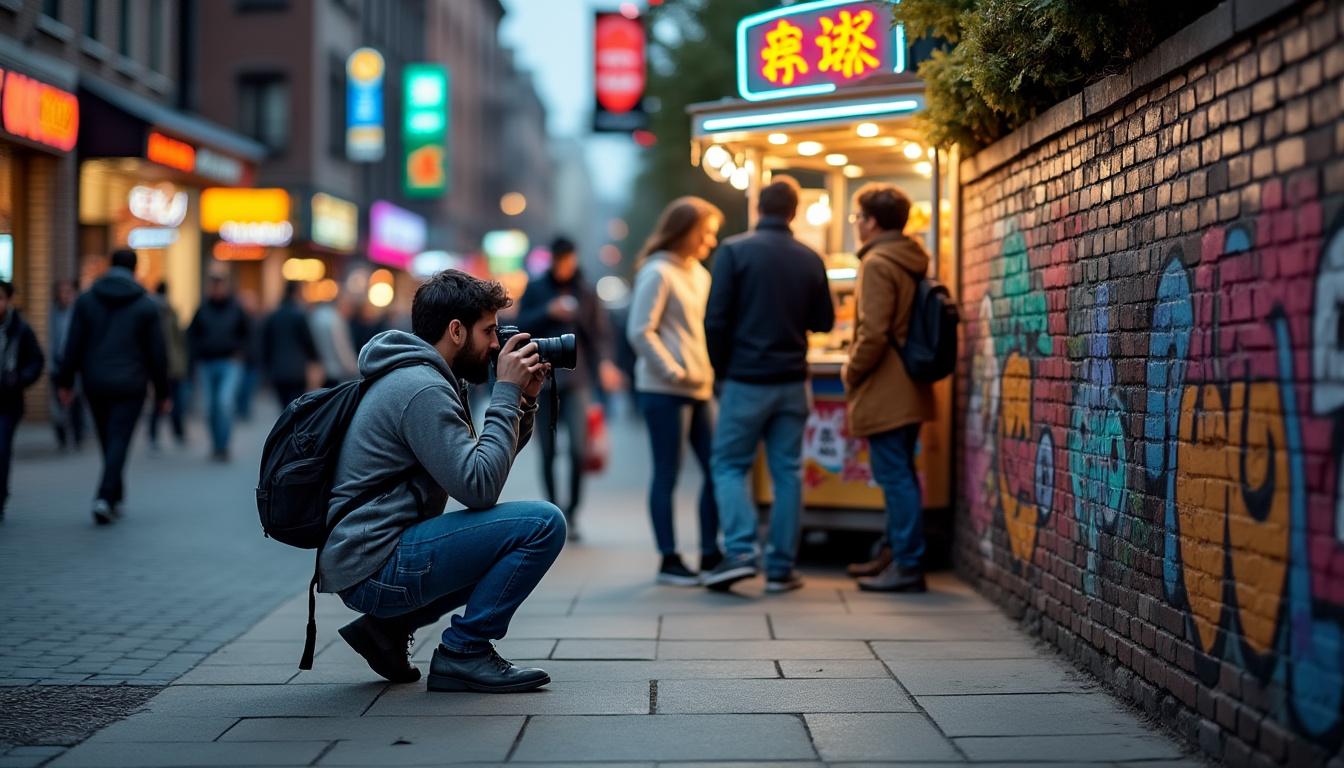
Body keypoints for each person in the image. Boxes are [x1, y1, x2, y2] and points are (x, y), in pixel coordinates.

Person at [319, 269, 563, 693]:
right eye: (488, 331)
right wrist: (506, 391)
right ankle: (464, 651)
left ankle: (385, 631)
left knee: (508, 535)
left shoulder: (424, 376)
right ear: (455, 330)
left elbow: (482, 467)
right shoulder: (421, 388)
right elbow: (478, 488)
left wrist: (523, 400)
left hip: (369, 556)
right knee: (543, 524)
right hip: (375, 564)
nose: (496, 344)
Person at [701, 177, 835, 593]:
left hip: (745, 379)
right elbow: (824, 321)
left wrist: (722, 371)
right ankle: (781, 567)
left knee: (729, 465)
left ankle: (741, 552)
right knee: (788, 471)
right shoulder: (810, 258)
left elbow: (715, 320)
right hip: (793, 382)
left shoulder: (734, 251)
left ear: (759, 208)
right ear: (794, 212)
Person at [843, 184, 936, 593]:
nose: (856, 225)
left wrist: (851, 371)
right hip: (908, 383)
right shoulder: (908, 257)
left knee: (894, 476)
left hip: (886, 385)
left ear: (872, 221)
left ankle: (907, 564)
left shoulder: (877, 262)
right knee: (900, 474)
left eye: (857, 217)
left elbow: (874, 332)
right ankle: (894, 554)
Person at [627, 197, 724, 585]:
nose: (711, 241)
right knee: (667, 472)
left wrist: (701, 371)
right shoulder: (657, 271)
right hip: (663, 389)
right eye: (706, 232)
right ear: (685, 231)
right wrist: (672, 369)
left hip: (700, 386)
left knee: (718, 468)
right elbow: (639, 331)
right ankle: (669, 560)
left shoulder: (699, 274)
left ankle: (710, 554)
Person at [515, 236, 620, 538]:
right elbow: (520, 324)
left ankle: (572, 512)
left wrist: (606, 364)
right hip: (542, 379)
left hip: (577, 380)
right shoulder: (537, 289)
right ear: (552, 259)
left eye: (569, 261)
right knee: (548, 451)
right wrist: (549, 311)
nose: (565, 267)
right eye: (560, 261)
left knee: (578, 449)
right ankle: (553, 510)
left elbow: (598, 334)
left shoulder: (585, 291)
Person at [56, 249, 169, 525]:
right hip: (131, 383)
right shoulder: (145, 305)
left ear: (110, 266)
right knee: (118, 439)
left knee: (108, 438)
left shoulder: (86, 301)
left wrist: (66, 381)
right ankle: (105, 497)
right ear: (135, 269)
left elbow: (73, 344)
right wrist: (163, 392)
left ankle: (114, 494)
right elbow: (157, 353)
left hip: (94, 382)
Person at [188, 273, 249, 462]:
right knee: (209, 408)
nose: (217, 290)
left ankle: (223, 446)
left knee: (224, 403)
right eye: (214, 286)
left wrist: (241, 353)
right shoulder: (202, 309)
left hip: (230, 363)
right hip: (206, 363)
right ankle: (216, 445)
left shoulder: (236, 309)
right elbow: (192, 336)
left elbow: (247, 333)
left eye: (220, 286)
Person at [0, 280, 45, 520]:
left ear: (8, 300)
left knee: (1, 448)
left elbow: (36, 361)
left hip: (7, 402)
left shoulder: (20, 329)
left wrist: (20, 378)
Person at [262, 280, 319, 408]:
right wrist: (315, 361)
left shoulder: (273, 316)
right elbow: (308, 342)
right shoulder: (299, 315)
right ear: (296, 293)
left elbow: (266, 345)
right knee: (296, 407)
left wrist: (267, 368)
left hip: (278, 370)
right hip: (297, 371)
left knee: (284, 408)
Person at [147, 281, 188, 451]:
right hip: (172, 364)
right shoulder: (170, 311)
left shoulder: (149, 310)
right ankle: (177, 433)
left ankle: (154, 436)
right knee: (174, 400)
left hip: (159, 364)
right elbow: (179, 340)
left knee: (159, 401)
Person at [48, 279, 85, 451]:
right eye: (63, 292)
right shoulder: (52, 315)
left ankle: (77, 435)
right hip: (58, 365)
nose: (66, 296)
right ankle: (62, 436)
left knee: (76, 401)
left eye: (69, 292)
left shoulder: (79, 313)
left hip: (76, 366)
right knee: (58, 403)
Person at [310, 295, 359, 387]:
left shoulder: (316, 316)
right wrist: (355, 369)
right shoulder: (335, 320)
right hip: (334, 371)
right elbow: (342, 348)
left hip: (320, 370)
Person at [234, 289, 262, 422]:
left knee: (249, 387)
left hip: (254, 359)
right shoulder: (239, 318)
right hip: (243, 359)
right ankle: (241, 410)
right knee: (242, 387)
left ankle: (244, 410)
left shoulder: (258, 319)